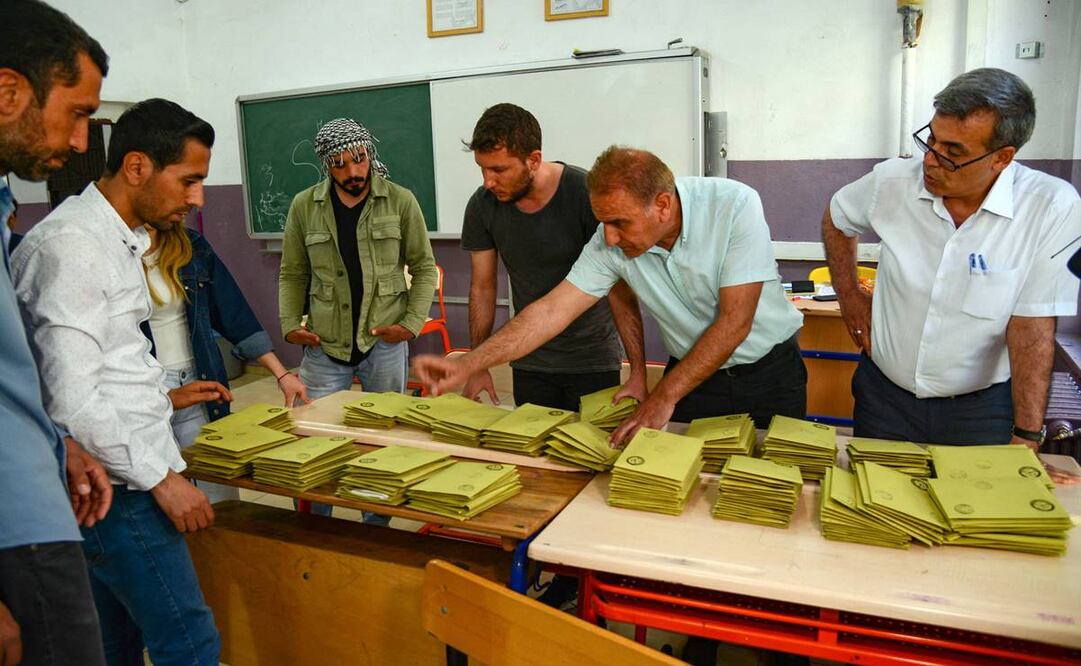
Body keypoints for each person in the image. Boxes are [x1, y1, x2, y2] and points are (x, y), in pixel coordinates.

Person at [13, 98, 228, 665]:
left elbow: (105, 361)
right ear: (137, 168)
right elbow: (71, 399)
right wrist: (162, 479)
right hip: (121, 492)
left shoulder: (114, 237)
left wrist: (163, 396)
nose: (197, 198)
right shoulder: (73, 248)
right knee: (190, 641)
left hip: (122, 474)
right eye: (188, 181)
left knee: (114, 643)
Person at [415, 146, 806, 445]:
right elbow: (550, 311)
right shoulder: (609, 240)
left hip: (768, 375)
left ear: (663, 206)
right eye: (603, 222)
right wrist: (470, 363)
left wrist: (662, 395)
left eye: (620, 222)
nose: (610, 238)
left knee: (771, 493)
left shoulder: (734, 206)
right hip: (692, 380)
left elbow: (734, 321)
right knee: (681, 491)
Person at [823, 68, 1081, 453]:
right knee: (878, 505)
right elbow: (837, 220)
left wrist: (1027, 435)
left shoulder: (1051, 208)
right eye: (931, 141)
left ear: (1002, 158)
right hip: (884, 400)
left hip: (979, 412)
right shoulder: (891, 183)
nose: (931, 161)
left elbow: (1032, 327)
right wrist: (849, 296)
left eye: (954, 153)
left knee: (970, 510)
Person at [0, 2, 112, 664]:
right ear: (9, 90)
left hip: (35, 497)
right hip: (16, 523)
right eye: (75, 114)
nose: (78, 143)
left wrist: (56, 441)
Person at [279, 117, 436, 520]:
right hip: (324, 345)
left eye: (360, 159)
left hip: (383, 344)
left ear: (370, 154)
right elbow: (293, 272)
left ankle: (375, 527)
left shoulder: (400, 201)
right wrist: (290, 323)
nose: (353, 172)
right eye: (341, 164)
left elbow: (423, 267)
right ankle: (314, 530)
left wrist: (412, 324)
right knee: (314, 441)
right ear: (326, 166)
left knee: (381, 439)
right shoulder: (304, 207)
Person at [460, 103, 646, 411]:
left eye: (498, 170)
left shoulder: (584, 194)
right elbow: (482, 288)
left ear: (533, 160)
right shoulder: (482, 206)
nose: (487, 181)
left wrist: (638, 372)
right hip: (529, 359)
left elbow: (619, 289)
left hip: (593, 360)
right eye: (482, 168)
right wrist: (478, 365)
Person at [142, 220, 310, 502]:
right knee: (165, 491)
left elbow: (233, 312)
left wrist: (282, 375)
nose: (191, 200)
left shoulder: (192, 245)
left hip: (199, 380)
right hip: (147, 387)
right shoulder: (114, 252)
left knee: (218, 486)